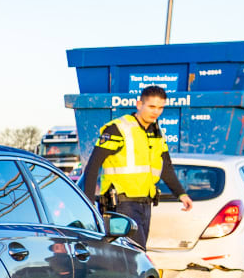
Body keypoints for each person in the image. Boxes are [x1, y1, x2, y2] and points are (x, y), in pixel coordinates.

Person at [80, 84, 192, 246]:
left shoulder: (156, 133)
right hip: (121, 204)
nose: (156, 112)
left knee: (137, 254)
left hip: (145, 203)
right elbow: (93, 165)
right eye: (152, 106)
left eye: (160, 107)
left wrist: (181, 194)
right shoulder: (118, 129)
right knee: (133, 255)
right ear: (139, 105)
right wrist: (89, 203)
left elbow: (165, 167)